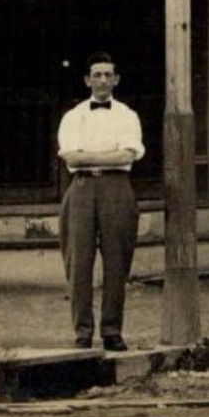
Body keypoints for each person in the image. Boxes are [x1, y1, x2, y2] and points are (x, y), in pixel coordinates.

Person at [56, 52, 144, 352]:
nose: (103, 80)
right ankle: (82, 331)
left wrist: (88, 157)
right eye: (97, 74)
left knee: (117, 261)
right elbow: (71, 157)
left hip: (117, 189)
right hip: (81, 189)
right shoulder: (73, 116)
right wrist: (107, 156)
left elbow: (127, 155)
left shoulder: (128, 115)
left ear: (116, 79)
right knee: (79, 262)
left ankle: (111, 330)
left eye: (108, 74)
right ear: (87, 80)